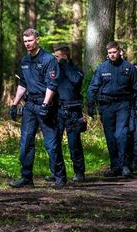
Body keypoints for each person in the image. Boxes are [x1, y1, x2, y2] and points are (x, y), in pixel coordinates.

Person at [8, 28, 65, 188]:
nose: (27, 44)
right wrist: (14, 104)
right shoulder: (25, 61)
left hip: (46, 105)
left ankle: (60, 177)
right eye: (25, 41)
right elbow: (23, 84)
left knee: (51, 143)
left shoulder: (48, 59)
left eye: (30, 40)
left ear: (37, 40)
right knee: (26, 142)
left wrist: (46, 104)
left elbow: (52, 85)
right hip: (30, 106)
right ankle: (26, 178)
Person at [86, 41, 137, 178]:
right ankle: (115, 167)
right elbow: (93, 87)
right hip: (106, 106)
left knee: (121, 134)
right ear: (107, 54)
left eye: (114, 52)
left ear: (119, 52)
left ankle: (124, 165)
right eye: (110, 53)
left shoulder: (129, 68)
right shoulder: (102, 68)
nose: (112, 55)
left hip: (123, 105)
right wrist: (90, 105)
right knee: (110, 137)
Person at [47, 44, 86, 182]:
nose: (55, 59)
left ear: (65, 57)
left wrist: (64, 64)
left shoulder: (75, 69)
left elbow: (76, 80)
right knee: (54, 142)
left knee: (74, 143)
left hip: (73, 111)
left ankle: (79, 172)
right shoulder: (53, 70)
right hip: (57, 110)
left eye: (57, 56)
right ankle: (56, 172)